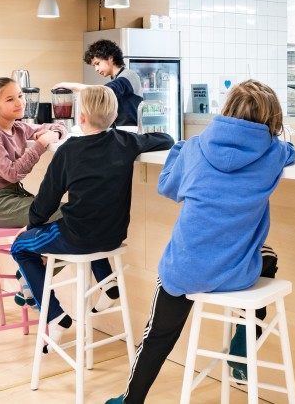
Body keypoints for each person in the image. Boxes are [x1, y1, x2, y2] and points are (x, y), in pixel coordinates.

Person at [106, 79, 295, 404]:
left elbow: (167, 187)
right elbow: (291, 151)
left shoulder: (194, 147)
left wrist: (180, 148)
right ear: (271, 119)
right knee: (269, 256)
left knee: (157, 336)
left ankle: (130, 399)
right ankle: (245, 334)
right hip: (238, 274)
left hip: (185, 271)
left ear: (226, 111)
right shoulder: (274, 153)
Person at [10, 86, 173, 348]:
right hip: (113, 236)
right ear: (116, 115)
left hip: (78, 238)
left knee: (20, 247)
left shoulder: (69, 150)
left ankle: (55, 316)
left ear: (81, 117)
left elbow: (46, 201)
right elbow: (166, 140)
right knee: (86, 224)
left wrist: (31, 227)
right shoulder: (126, 142)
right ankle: (108, 285)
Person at [0, 76, 68, 229]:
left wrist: (55, 134)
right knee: (69, 212)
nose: (19, 102)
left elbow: (58, 126)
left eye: (20, 96)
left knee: (69, 210)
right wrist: (41, 143)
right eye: (10, 99)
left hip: (13, 197)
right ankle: (38, 252)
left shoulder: (18, 127)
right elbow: (12, 174)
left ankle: (42, 252)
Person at [53, 39, 143, 126]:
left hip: (130, 132)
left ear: (110, 58)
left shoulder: (129, 76)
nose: (96, 69)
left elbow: (104, 91)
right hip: (120, 131)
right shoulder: (116, 78)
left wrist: (73, 86)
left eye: (97, 63)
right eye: (94, 66)